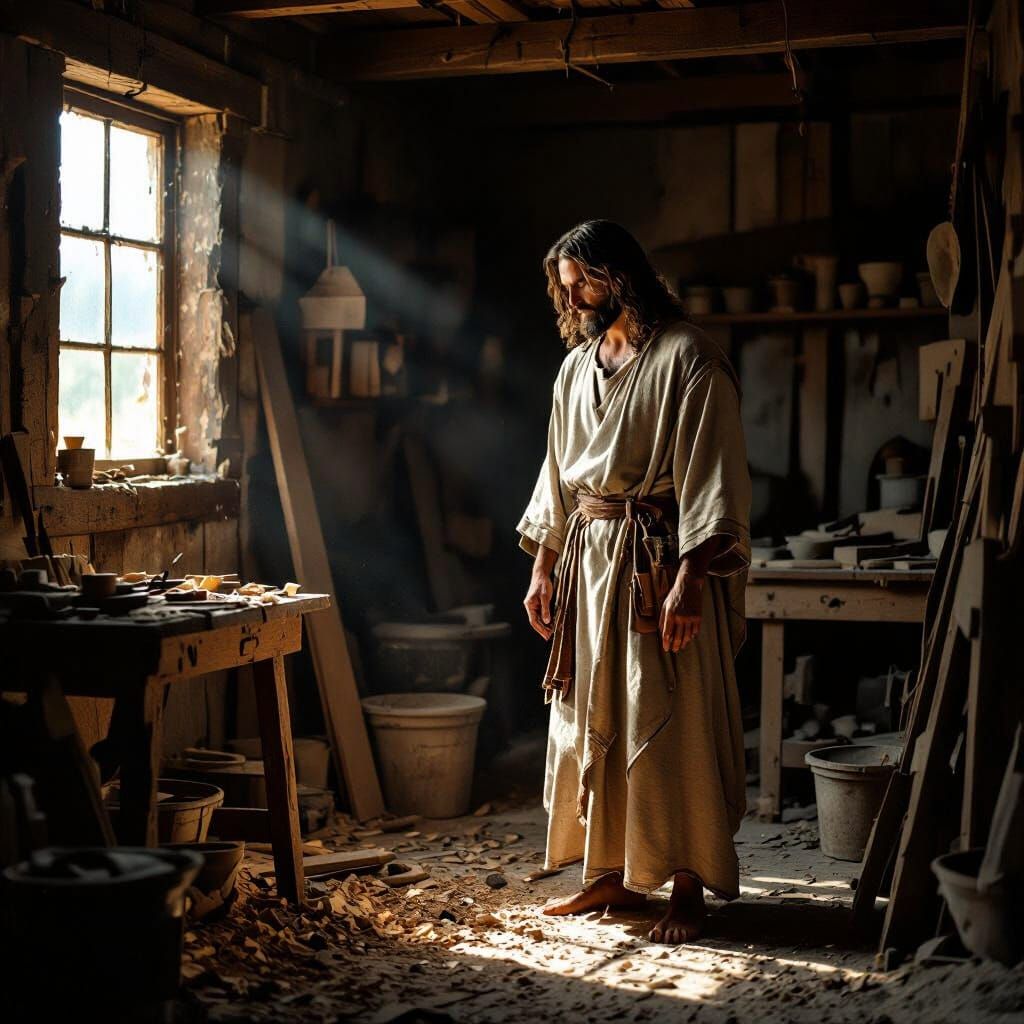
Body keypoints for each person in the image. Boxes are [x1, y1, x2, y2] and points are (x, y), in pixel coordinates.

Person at [517, 220, 751, 943]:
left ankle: (687, 886)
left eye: (585, 279)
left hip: (657, 564)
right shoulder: (575, 367)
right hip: (589, 562)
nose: (575, 295)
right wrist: (543, 565)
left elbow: (711, 480)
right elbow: (556, 476)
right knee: (593, 716)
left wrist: (688, 581)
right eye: (566, 285)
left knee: (670, 717)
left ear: (622, 274)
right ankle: (607, 878)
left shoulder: (688, 359)